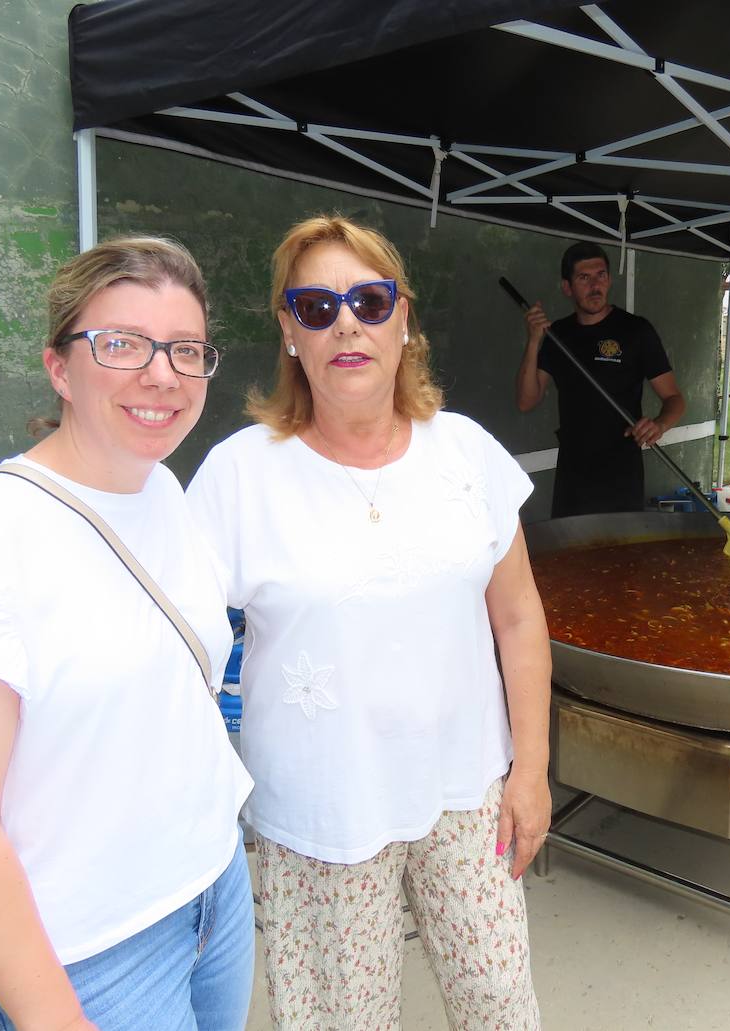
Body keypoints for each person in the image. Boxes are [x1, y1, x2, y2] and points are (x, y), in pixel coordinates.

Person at [0, 238, 255, 1029]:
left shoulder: (166, 491)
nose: (161, 374)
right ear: (59, 368)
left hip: (215, 889)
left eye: (185, 349)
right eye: (121, 344)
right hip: (91, 953)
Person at [187, 215, 550, 1030]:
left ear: (404, 319)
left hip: (467, 788)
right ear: (289, 330)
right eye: (316, 306)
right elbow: (180, 648)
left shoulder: (465, 452)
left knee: (500, 1004)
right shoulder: (241, 474)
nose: (346, 322)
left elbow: (520, 616)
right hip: (321, 811)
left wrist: (531, 768)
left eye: (369, 299)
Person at [515, 241, 685, 517]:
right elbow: (526, 401)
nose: (595, 285)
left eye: (601, 275)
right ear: (567, 287)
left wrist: (659, 424)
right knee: (571, 552)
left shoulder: (636, 331)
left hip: (622, 467)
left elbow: (674, 398)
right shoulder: (558, 334)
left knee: (621, 552)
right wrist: (534, 341)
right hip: (574, 466)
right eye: (584, 277)